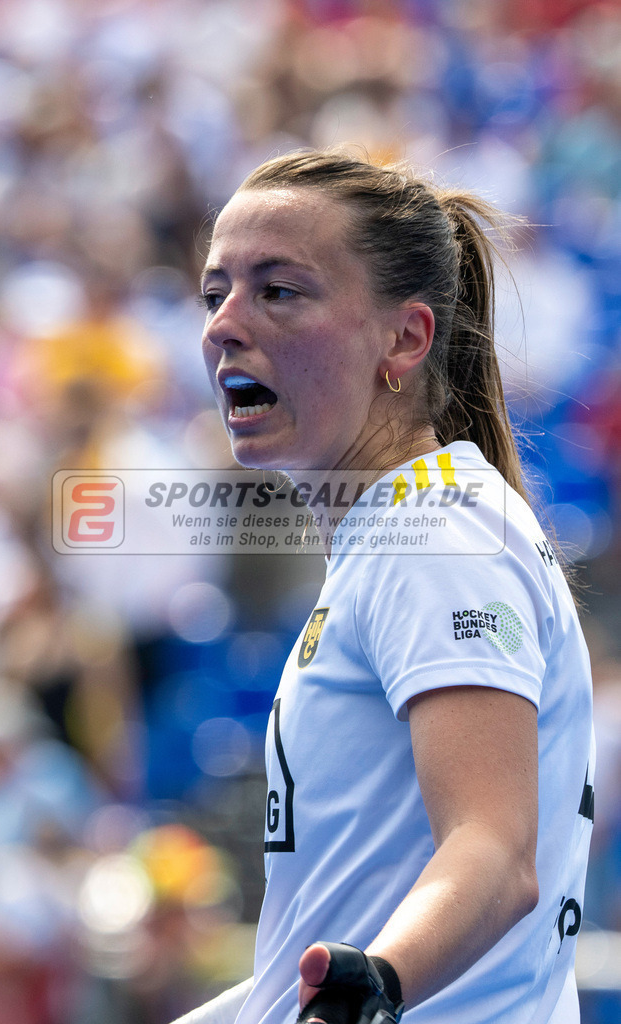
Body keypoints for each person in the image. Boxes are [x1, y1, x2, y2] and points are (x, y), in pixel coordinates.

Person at [177, 149, 594, 1024]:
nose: (222, 325)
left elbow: (492, 848)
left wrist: (383, 982)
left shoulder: (433, 533)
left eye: (277, 291)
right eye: (216, 293)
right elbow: (328, 940)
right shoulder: (405, 530)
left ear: (403, 339)